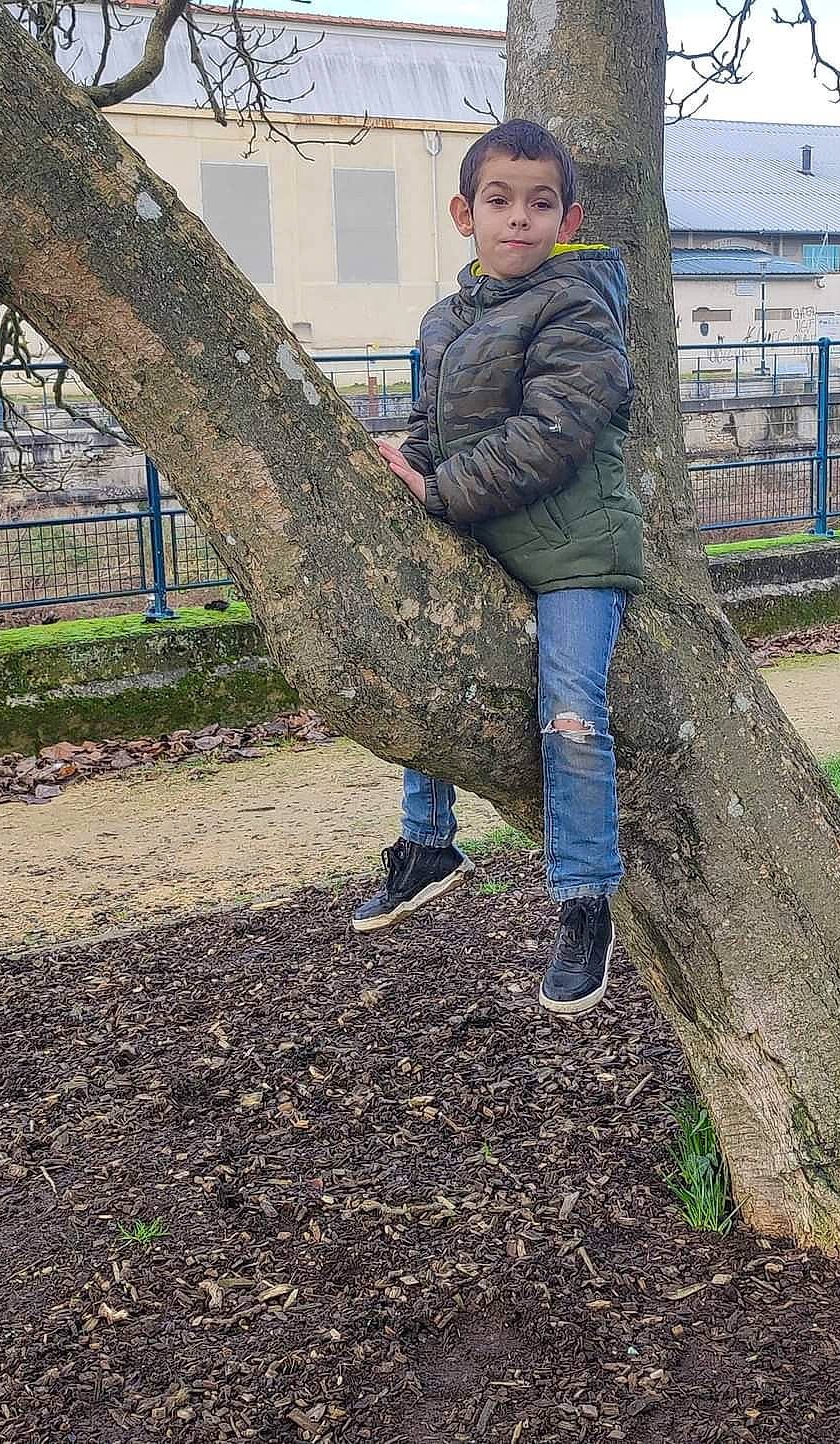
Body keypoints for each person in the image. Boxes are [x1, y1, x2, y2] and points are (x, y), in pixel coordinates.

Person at [351, 119, 644, 1016]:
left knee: (570, 713)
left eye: (540, 202)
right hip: (487, 536)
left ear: (569, 216)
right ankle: (427, 842)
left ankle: (585, 902)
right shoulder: (446, 320)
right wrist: (399, 463)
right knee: (425, 675)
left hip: (574, 553)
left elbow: (549, 434)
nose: (519, 218)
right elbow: (439, 434)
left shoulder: (581, 307)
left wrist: (436, 495)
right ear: (464, 212)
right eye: (500, 200)